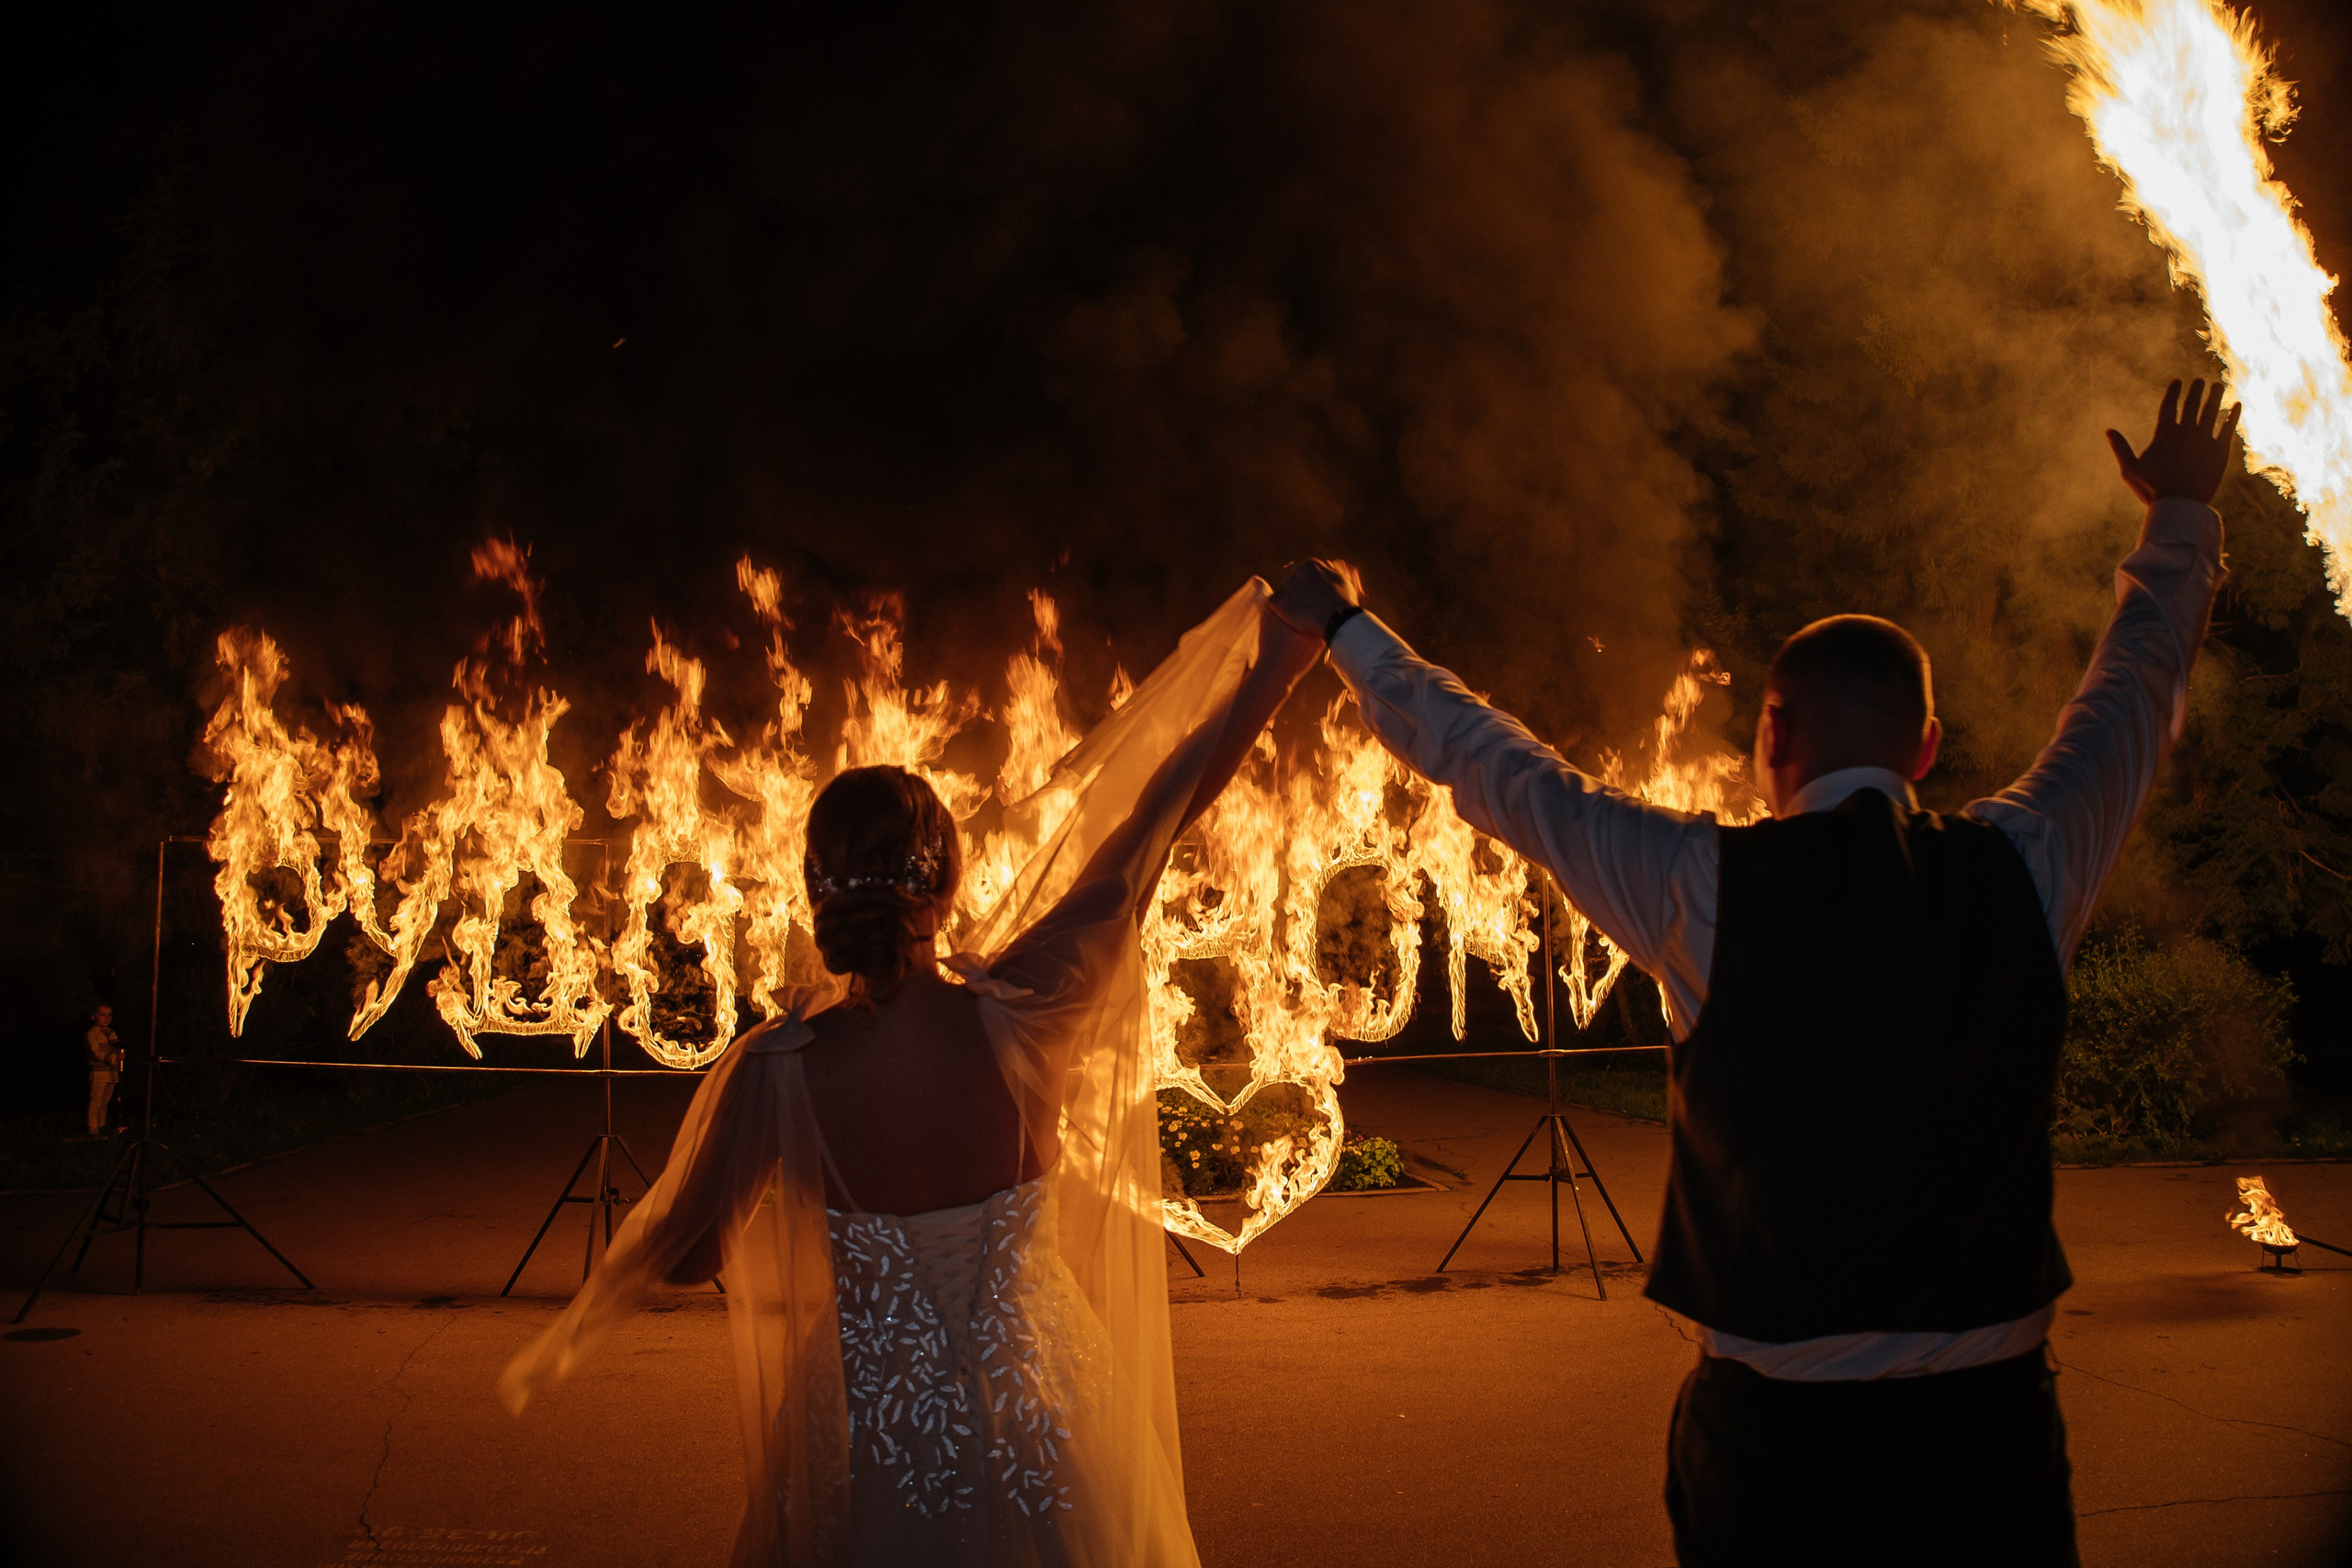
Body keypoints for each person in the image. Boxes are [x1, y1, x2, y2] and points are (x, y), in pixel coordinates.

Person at [1271, 378, 2241, 1566]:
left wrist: (1350, 630)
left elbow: (1500, 769)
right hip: (1987, 1442)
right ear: (1925, 749)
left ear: (1770, 736)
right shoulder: (2029, 863)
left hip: (1782, 1449)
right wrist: (2182, 514)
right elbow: (2136, 690)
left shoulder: (1702, 882)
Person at [502, 580, 1322, 1566]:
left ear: (816, 891)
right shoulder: (1027, 1011)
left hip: (868, 1428)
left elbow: (691, 1257)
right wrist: (1282, 659)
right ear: (942, 882)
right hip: (1041, 1413)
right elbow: (1157, 815)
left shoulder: (777, 1072)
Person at [85, 1003, 124, 1138]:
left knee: (105, 1102)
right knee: (96, 1101)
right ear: (93, 1016)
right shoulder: (92, 1034)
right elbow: (96, 1052)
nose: (107, 1018)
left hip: (112, 1072)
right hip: (99, 1072)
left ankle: (102, 1125)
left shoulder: (111, 1033)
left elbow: (119, 1048)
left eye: (109, 1014)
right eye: (103, 1014)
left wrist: (121, 1055)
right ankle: (93, 1128)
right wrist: (113, 1057)